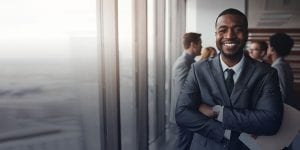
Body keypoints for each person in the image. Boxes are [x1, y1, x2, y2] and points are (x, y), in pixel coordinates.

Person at [175, 8, 283, 150]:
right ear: (216, 34)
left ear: (246, 34)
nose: (229, 35)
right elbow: (182, 113)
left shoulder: (266, 73)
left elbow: (271, 122)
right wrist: (224, 132)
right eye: (223, 30)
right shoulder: (198, 69)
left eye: (237, 29)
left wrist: (219, 112)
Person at [170, 32, 202, 150]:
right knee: (183, 145)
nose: (202, 47)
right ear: (193, 44)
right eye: (200, 44)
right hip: (185, 114)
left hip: (188, 113)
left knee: (186, 144)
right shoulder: (183, 64)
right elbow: (181, 92)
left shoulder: (191, 63)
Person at [267, 33, 294, 105]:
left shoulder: (278, 67)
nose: (267, 48)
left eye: (268, 46)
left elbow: (281, 95)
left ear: (272, 49)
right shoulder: (283, 65)